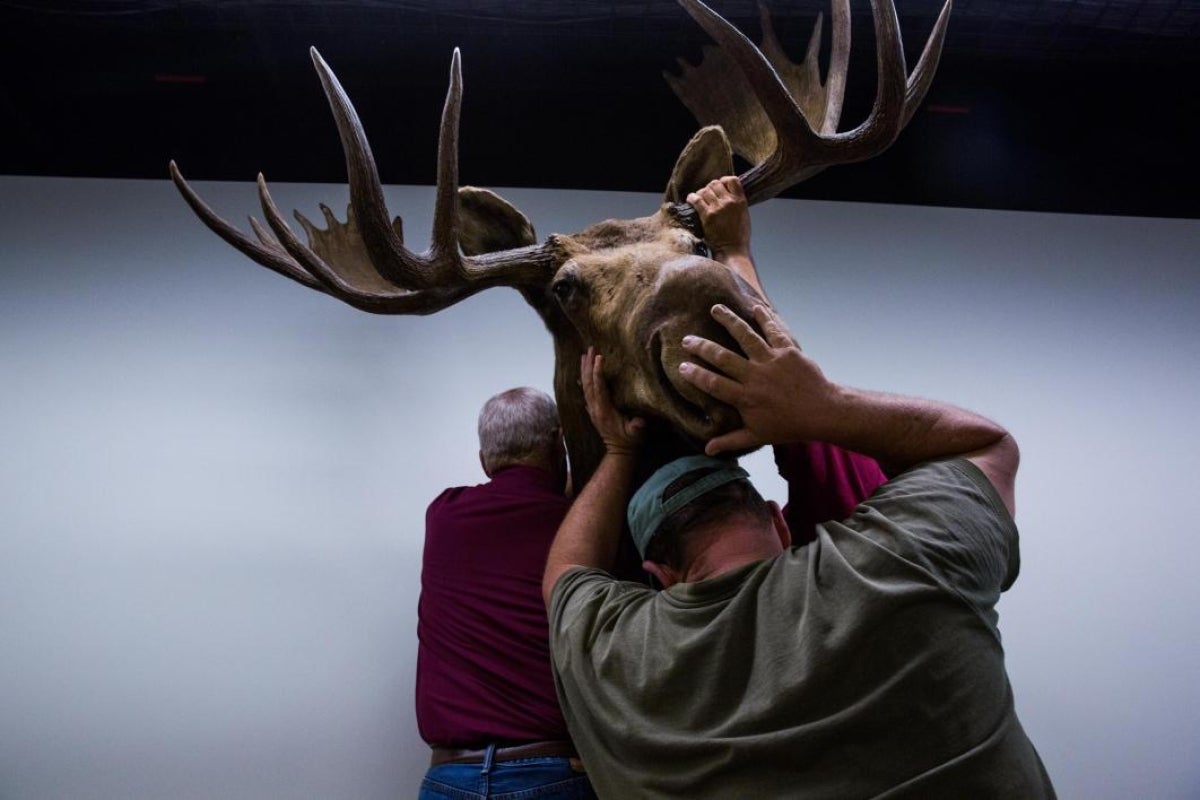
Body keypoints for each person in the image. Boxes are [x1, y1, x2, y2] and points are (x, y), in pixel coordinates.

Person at [541, 316, 1055, 793]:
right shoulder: (896, 561)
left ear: (660, 574)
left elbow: (566, 570)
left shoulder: (614, 658)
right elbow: (989, 448)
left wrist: (617, 452)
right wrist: (822, 405)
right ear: (780, 522)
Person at [685, 176, 886, 544]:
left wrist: (732, 251)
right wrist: (732, 250)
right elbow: (798, 400)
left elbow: (796, 399)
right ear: (776, 520)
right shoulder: (857, 534)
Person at [416, 387, 595, 799]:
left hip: (449, 777)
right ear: (558, 444)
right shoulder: (578, 525)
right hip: (553, 775)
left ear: (484, 460)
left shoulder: (443, 515)